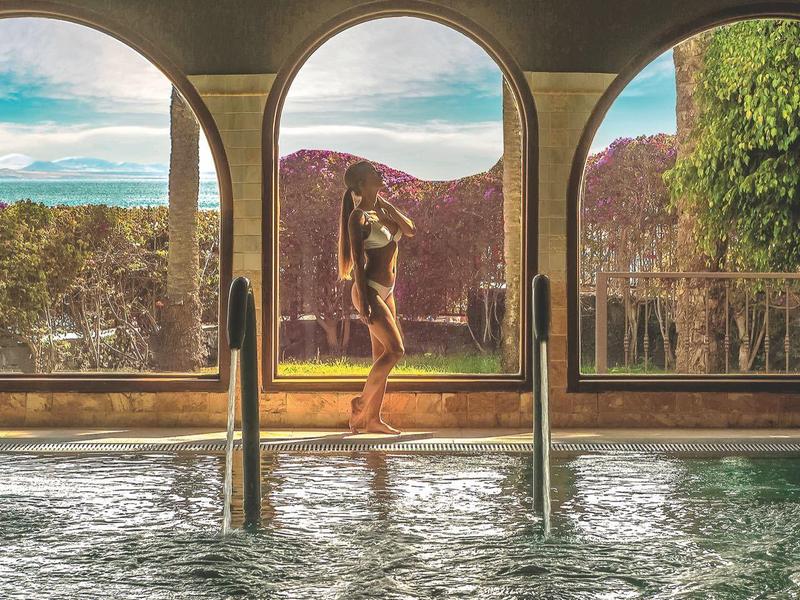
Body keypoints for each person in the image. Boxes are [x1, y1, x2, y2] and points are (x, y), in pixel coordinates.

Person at [337, 160, 416, 434]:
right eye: (374, 173)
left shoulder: (382, 211)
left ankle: (372, 419)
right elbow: (358, 262)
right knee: (396, 350)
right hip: (369, 289)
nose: (380, 173)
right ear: (361, 184)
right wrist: (366, 304)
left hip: (387, 291)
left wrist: (387, 206)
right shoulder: (358, 218)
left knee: (381, 356)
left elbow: (409, 229)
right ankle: (360, 402)